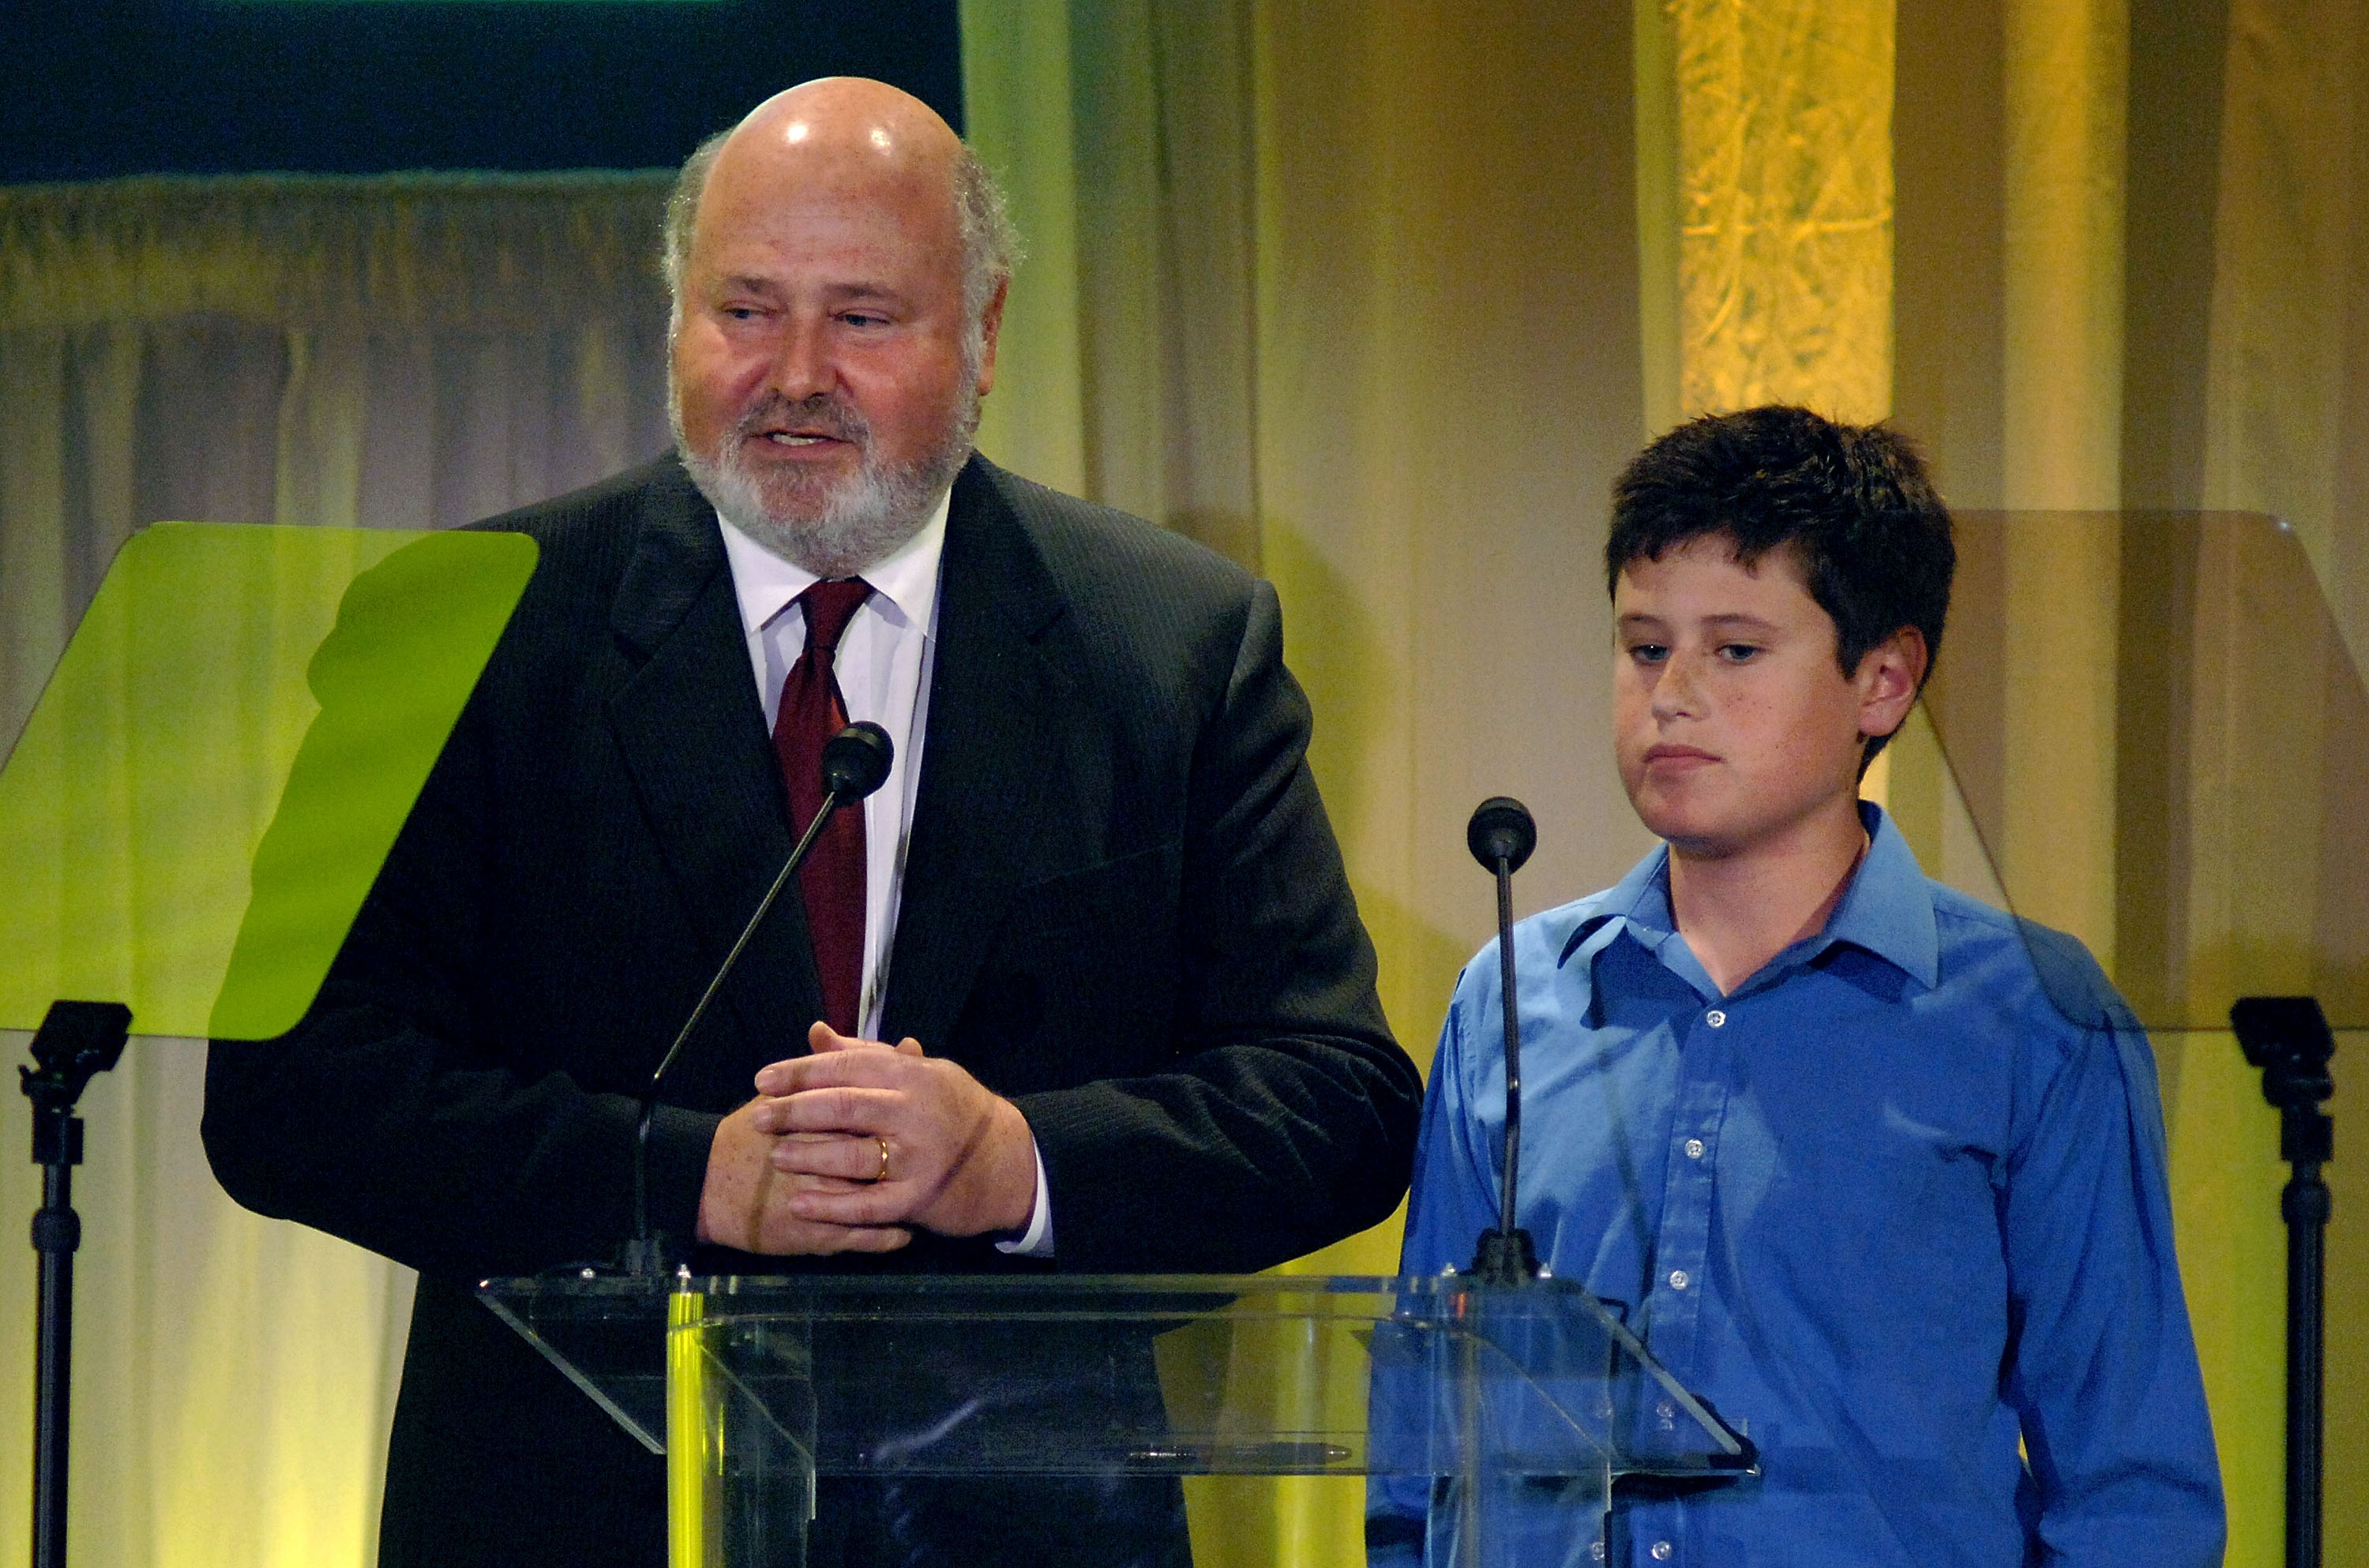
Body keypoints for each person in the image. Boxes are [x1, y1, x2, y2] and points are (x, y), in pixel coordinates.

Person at [202, 77, 1420, 1568]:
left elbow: (1336, 1100)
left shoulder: (1169, 643)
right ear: (673, 322)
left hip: (1019, 1525)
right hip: (575, 1516)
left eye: (861, 319)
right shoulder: (463, 623)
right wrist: (683, 1175)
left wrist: (1016, 1160)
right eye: (743, 311)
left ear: (981, 338)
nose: (793, 375)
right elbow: (289, 1094)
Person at [1371, 407, 2223, 1566]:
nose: (1671, 693)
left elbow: (2132, 1494)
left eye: (1734, 649)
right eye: (1642, 645)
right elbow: (1426, 1461)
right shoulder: (1513, 1000)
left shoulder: (2028, 1013)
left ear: (1882, 681)